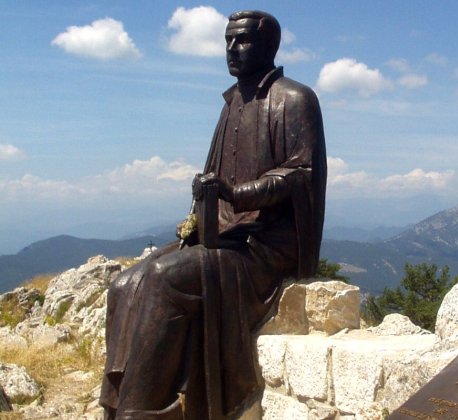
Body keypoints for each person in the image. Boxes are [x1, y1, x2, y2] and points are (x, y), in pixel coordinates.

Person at [99, 10, 326, 419]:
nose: (231, 50)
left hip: (265, 245)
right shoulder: (231, 105)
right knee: (124, 284)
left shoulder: (294, 99)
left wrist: (237, 194)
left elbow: (299, 174)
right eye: (227, 41)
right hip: (221, 234)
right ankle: (115, 406)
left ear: (268, 46)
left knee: (164, 278)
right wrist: (196, 214)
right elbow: (214, 174)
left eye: (242, 41)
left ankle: (144, 411)